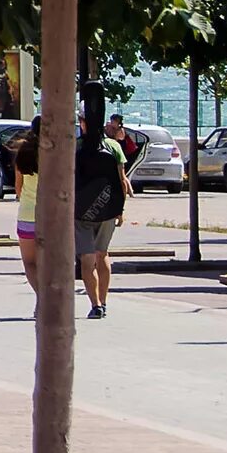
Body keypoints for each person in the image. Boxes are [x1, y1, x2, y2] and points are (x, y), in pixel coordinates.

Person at [77, 114, 132, 319]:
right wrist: (120, 209)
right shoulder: (114, 147)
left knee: (87, 257)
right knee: (102, 254)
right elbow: (121, 181)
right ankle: (104, 301)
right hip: (107, 207)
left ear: (83, 123)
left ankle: (95, 304)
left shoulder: (76, 146)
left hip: (81, 210)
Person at [11, 130, 43, 291]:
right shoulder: (55, 153)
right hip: (51, 215)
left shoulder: (23, 155)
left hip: (27, 214)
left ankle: (40, 296)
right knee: (49, 261)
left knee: (30, 262)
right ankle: (48, 295)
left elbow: (18, 187)